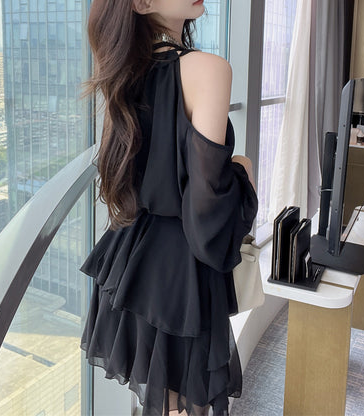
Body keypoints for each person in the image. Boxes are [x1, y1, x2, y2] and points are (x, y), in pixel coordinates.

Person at [80, 0, 258, 415]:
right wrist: (244, 170)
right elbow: (208, 213)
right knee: (182, 406)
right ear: (141, 3)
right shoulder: (208, 69)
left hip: (130, 261)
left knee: (164, 405)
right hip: (182, 273)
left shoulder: (124, 70)